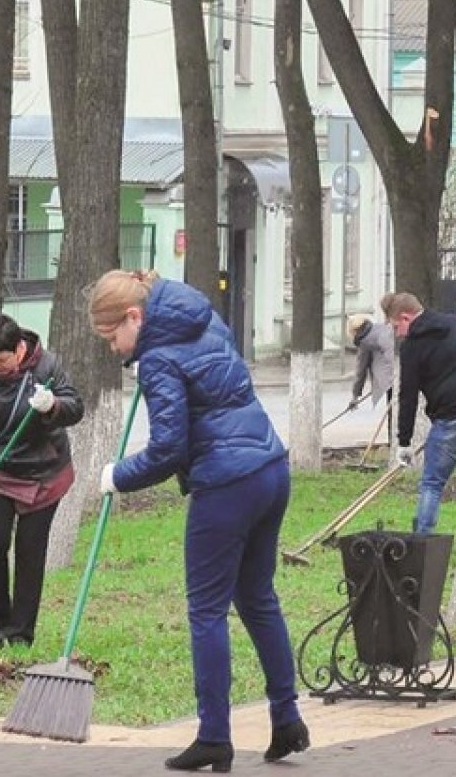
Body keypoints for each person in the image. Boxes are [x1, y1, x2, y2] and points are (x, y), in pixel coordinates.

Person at [88, 270, 308, 772]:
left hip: (226, 485)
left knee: (206, 611)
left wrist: (117, 476)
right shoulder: (205, 319)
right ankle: (287, 717)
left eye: (112, 337)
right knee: (258, 598)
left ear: (134, 317)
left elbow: (169, 449)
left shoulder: (158, 358)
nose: (113, 350)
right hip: (271, 469)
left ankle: (214, 736)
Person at [0, 313, 84, 649]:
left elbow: (76, 408)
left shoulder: (47, 367)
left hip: (45, 473)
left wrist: (52, 405)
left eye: (2, 360)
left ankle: (21, 633)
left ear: (20, 348)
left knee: (31, 552)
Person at [381, 291, 456, 534]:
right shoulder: (455, 324)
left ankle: (422, 540)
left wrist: (404, 442)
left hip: (452, 419)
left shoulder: (413, 347)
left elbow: (407, 396)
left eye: (396, 327)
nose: (397, 333)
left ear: (406, 318)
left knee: (431, 484)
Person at [347, 313, 394, 410]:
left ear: (354, 331)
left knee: (393, 413)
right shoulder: (380, 329)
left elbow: (361, 371)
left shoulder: (364, 342)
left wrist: (355, 397)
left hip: (391, 378)